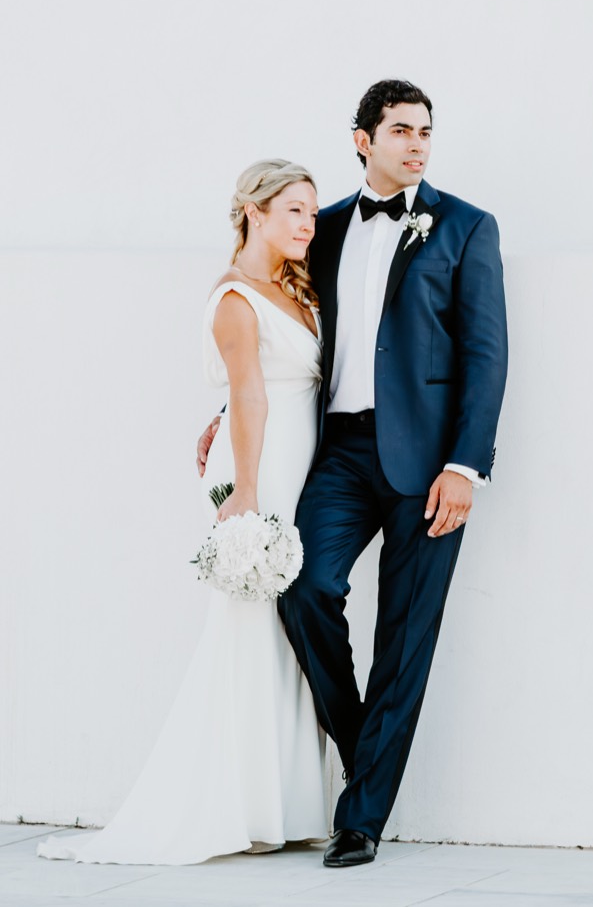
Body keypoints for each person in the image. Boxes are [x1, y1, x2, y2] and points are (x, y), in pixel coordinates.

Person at [196, 79, 509, 867]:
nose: (417, 144)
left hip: (431, 466)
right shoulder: (324, 226)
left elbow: (486, 354)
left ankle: (361, 820)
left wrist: (465, 465)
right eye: (400, 130)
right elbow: (280, 334)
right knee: (304, 588)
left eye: (426, 131)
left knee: (405, 636)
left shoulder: (466, 227)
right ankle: (368, 750)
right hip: (338, 451)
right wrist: (227, 414)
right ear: (363, 140)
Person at [39, 160, 329, 864]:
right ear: (254, 211)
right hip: (260, 471)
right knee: (251, 625)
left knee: (285, 630)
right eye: (294, 210)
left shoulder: (292, 286)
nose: (307, 224)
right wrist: (247, 494)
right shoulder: (235, 298)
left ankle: (287, 803)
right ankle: (244, 807)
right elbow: (249, 394)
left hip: (295, 464)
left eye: (312, 213)